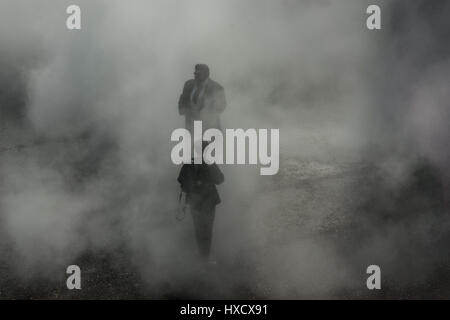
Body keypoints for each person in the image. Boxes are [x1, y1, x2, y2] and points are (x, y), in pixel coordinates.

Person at [177, 141, 224, 261]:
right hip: (207, 201)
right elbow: (220, 179)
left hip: (197, 202)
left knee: (199, 229)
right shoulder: (209, 163)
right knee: (207, 229)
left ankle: (202, 256)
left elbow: (181, 180)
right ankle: (205, 256)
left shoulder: (190, 163)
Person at [178, 64, 227, 133]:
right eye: (195, 73)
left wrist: (207, 111)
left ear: (207, 74)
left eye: (199, 74)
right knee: (192, 143)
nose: (196, 76)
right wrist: (186, 110)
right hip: (191, 126)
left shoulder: (216, 87)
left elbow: (222, 106)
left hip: (210, 127)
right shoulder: (188, 84)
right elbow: (182, 101)